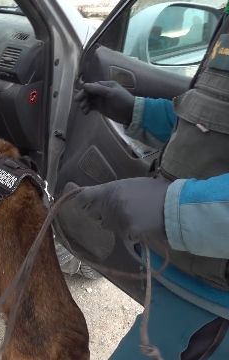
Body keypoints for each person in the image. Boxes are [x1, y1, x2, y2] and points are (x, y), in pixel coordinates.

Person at [74, 57, 229, 359]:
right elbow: (204, 126)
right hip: (180, 281)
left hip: (212, 308)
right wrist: (137, 111)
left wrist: (171, 208)